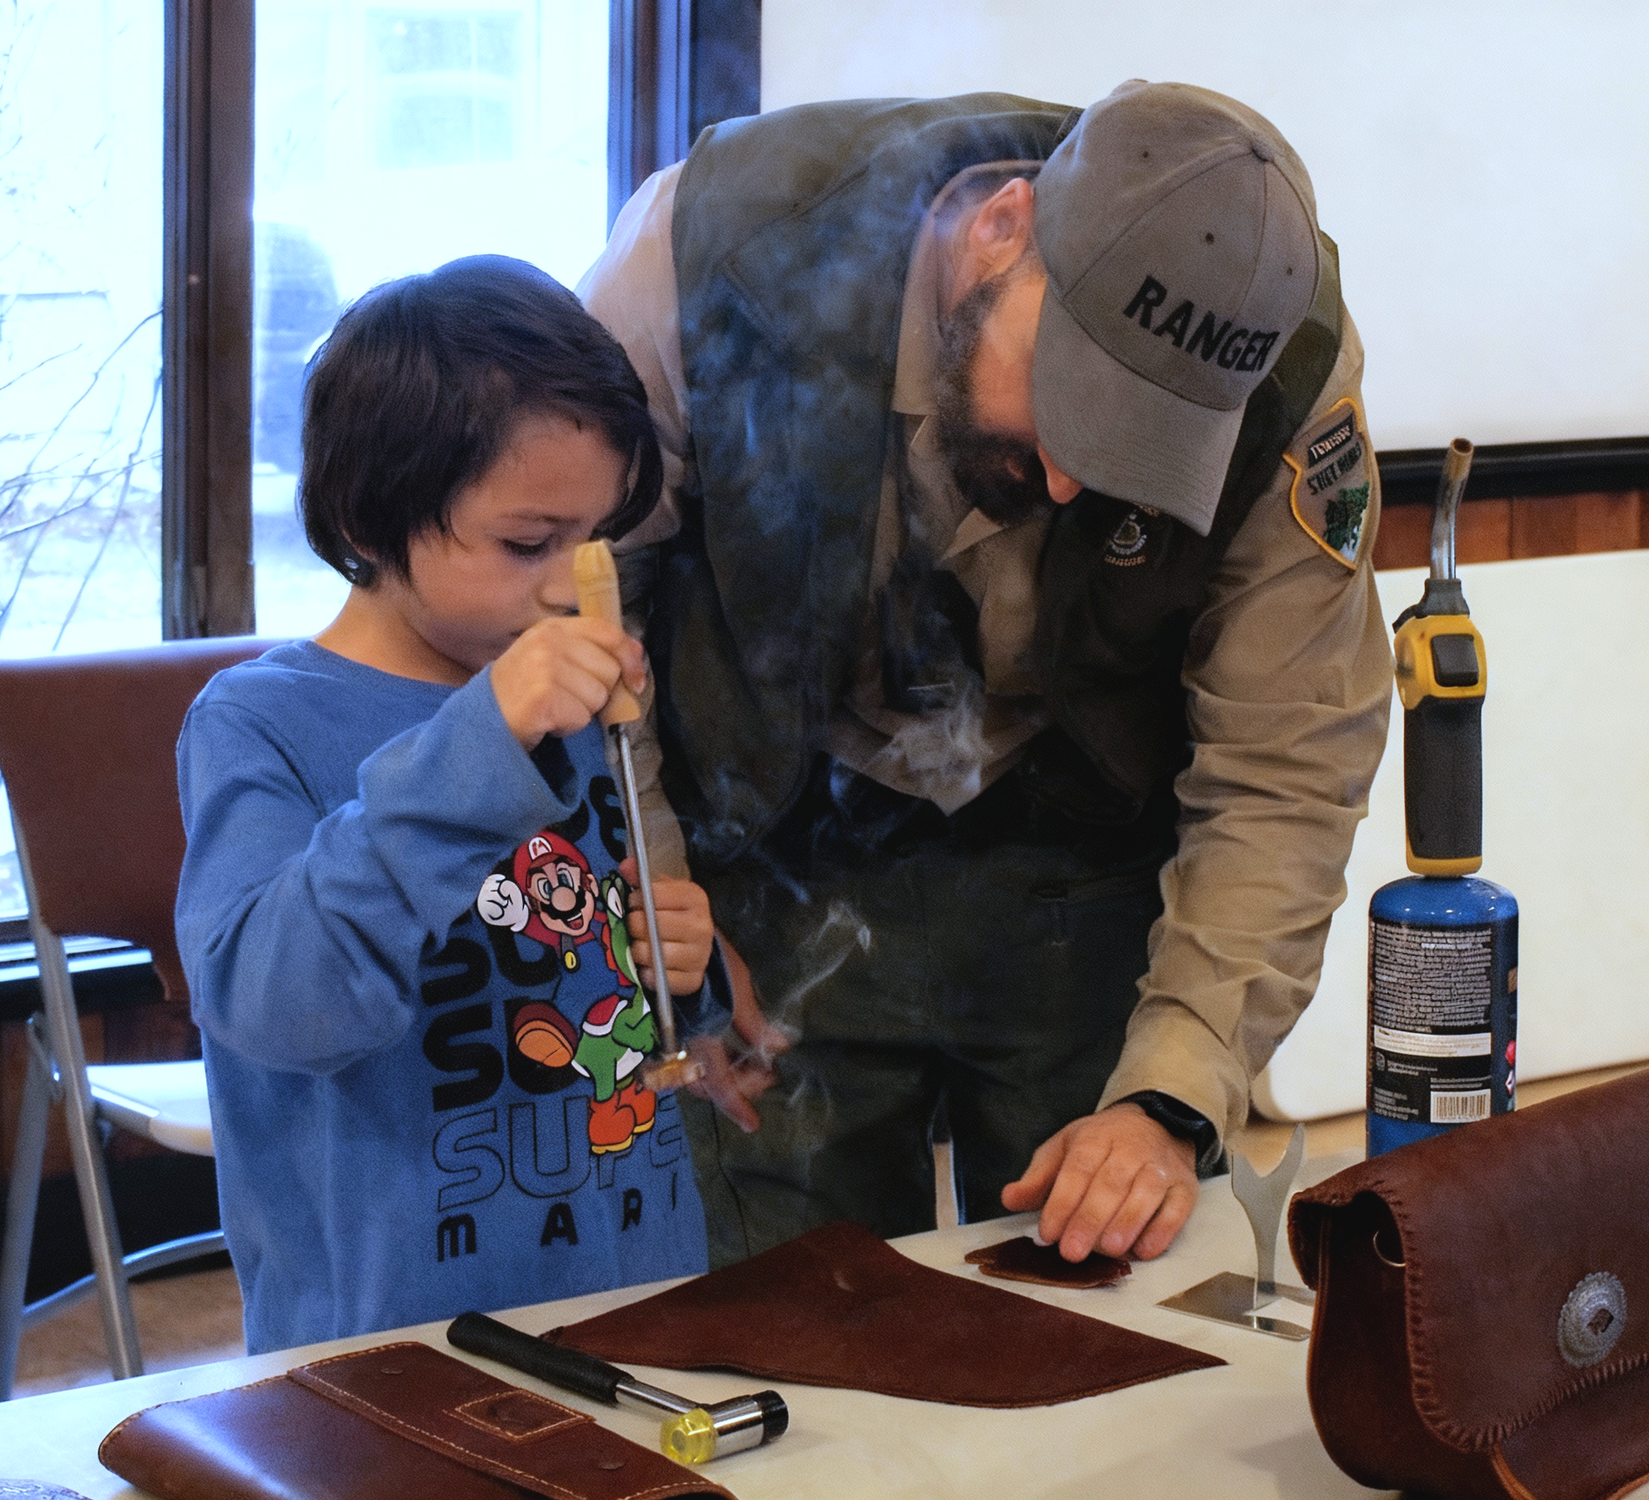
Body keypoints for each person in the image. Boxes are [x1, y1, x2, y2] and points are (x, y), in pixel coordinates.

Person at [578, 82, 1392, 1268]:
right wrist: (655, 909)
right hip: (768, 856)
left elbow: (1288, 760)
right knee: (778, 1322)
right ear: (1001, 229)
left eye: (1134, 452)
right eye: (1067, 404)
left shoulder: (1285, 371)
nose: (1068, 484)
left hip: (1081, 866)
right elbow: (579, 611)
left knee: (1108, 1324)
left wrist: (1169, 1095)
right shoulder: (707, 250)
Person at [174, 256, 719, 1353]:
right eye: (527, 543)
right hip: (390, 1350)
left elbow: (586, 992)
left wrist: (666, 967)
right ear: (375, 522)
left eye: (596, 536)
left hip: (631, 1307)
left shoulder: (562, 693)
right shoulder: (258, 720)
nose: (573, 582)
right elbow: (279, 1004)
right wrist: (481, 737)